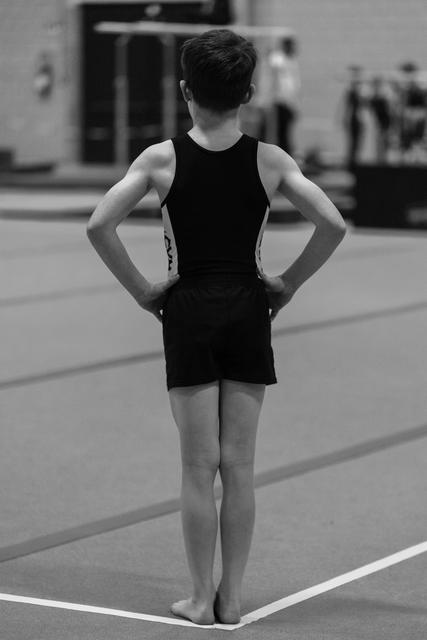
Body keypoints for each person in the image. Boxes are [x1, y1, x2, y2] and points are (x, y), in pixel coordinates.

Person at [86, 28, 346, 627]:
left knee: (198, 466)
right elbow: (331, 224)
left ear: (185, 91)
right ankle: (233, 598)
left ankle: (199, 598)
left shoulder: (161, 159)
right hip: (250, 309)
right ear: (250, 93)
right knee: (240, 465)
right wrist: (288, 282)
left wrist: (143, 291)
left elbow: (101, 225)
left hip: (190, 311)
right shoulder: (270, 160)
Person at [259, 36, 300, 154]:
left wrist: (295, 105)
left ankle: (285, 156)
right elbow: (272, 68)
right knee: (270, 131)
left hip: (287, 103)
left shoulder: (292, 61)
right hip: (277, 102)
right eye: (291, 46)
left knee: (284, 132)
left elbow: (293, 87)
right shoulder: (278, 59)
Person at [341, 65, 367, 167]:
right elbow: (347, 106)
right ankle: (352, 162)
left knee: (356, 142)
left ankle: (354, 162)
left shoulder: (360, 90)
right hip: (354, 118)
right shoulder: (352, 90)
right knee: (353, 142)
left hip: (358, 118)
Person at [369, 76, 393, 163]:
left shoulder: (384, 95)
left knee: (383, 140)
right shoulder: (375, 96)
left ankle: (383, 160)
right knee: (380, 141)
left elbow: (389, 109)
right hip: (379, 121)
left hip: (385, 121)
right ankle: (380, 159)